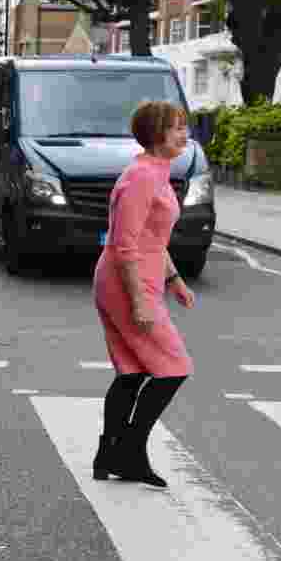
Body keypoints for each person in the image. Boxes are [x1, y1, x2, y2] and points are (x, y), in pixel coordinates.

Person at [92, 100, 196, 488]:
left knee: (133, 372)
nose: (185, 134)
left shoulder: (156, 173)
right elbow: (124, 244)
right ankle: (130, 451)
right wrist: (139, 301)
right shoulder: (140, 179)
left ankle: (108, 454)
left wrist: (175, 280)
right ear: (156, 134)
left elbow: (153, 238)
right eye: (177, 128)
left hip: (139, 278)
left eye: (185, 127)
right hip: (126, 283)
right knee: (174, 367)